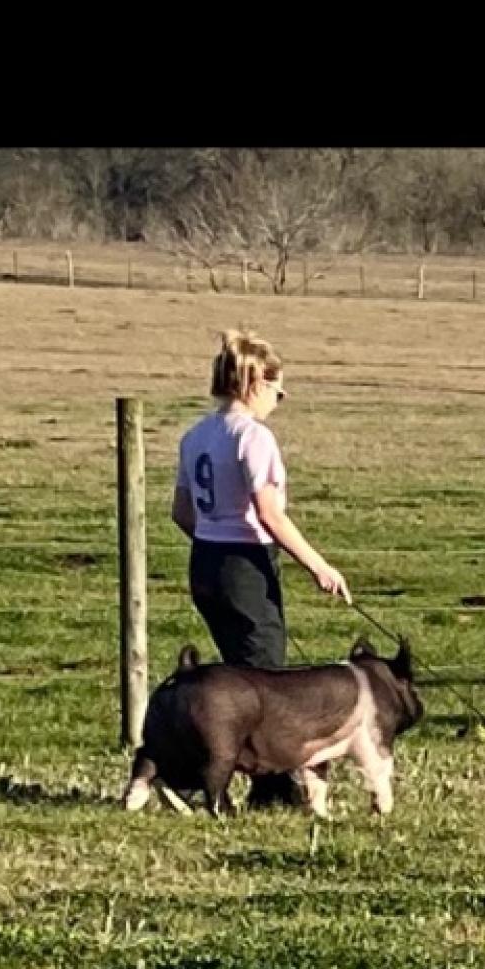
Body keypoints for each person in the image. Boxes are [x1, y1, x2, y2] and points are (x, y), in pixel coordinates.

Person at [171, 328, 351, 808]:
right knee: (265, 682)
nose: (279, 400)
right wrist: (319, 566)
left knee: (235, 677)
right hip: (245, 566)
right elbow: (270, 514)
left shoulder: (196, 436)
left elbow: (181, 513)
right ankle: (262, 786)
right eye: (278, 390)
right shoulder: (253, 437)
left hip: (205, 562)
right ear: (255, 384)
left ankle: (242, 780)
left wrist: (214, 540)